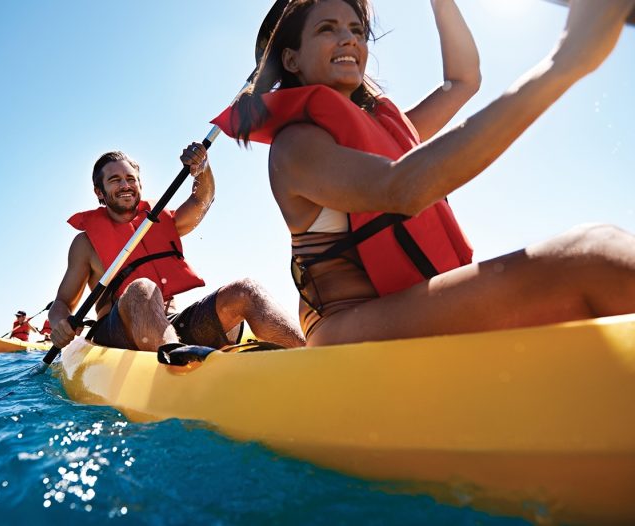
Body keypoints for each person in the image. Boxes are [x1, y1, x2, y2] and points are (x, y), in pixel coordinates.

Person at [212, 0, 635, 346]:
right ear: (291, 58)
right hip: (345, 332)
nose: (349, 39)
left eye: (357, 30)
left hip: (413, 308)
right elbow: (401, 187)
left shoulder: (389, 127)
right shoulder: (297, 146)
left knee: (596, 263)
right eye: (327, 28)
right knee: (590, 258)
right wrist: (566, 63)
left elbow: (463, 81)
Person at [49, 144, 305, 353]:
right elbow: (63, 301)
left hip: (173, 324)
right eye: (115, 180)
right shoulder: (85, 244)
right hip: (118, 333)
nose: (125, 185)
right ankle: (174, 369)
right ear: (99, 192)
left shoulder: (159, 220)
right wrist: (60, 324)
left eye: (130, 179)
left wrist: (201, 170)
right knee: (141, 288)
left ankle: (310, 357)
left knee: (245, 290)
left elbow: (201, 201)